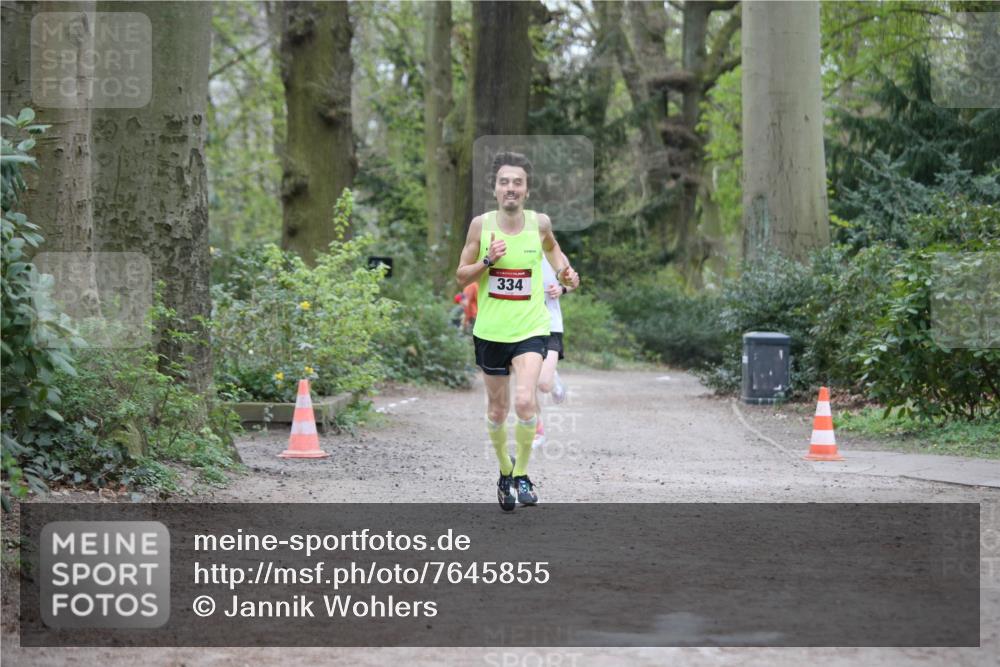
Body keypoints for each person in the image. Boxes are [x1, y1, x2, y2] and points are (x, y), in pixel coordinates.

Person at [456, 151, 580, 512]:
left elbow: (555, 253)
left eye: (518, 182)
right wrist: (487, 261)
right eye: (504, 182)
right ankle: (505, 471)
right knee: (497, 411)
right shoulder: (481, 226)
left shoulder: (538, 223)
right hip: (492, 331)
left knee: (526, 401)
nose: (511, 188)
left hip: (532, 328)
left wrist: (566, 274)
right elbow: (461, 276)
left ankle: (522, 475)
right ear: (495, 188)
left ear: (527, 189)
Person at [532, 254, 573, 448]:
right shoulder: (513, 248)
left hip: (550, 326)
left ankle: (554, 380)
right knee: (526, 383)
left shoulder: (554, 254)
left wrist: (562, 288)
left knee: (543, 384)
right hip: (522, 327)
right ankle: (536, 431)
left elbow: (574, 280)